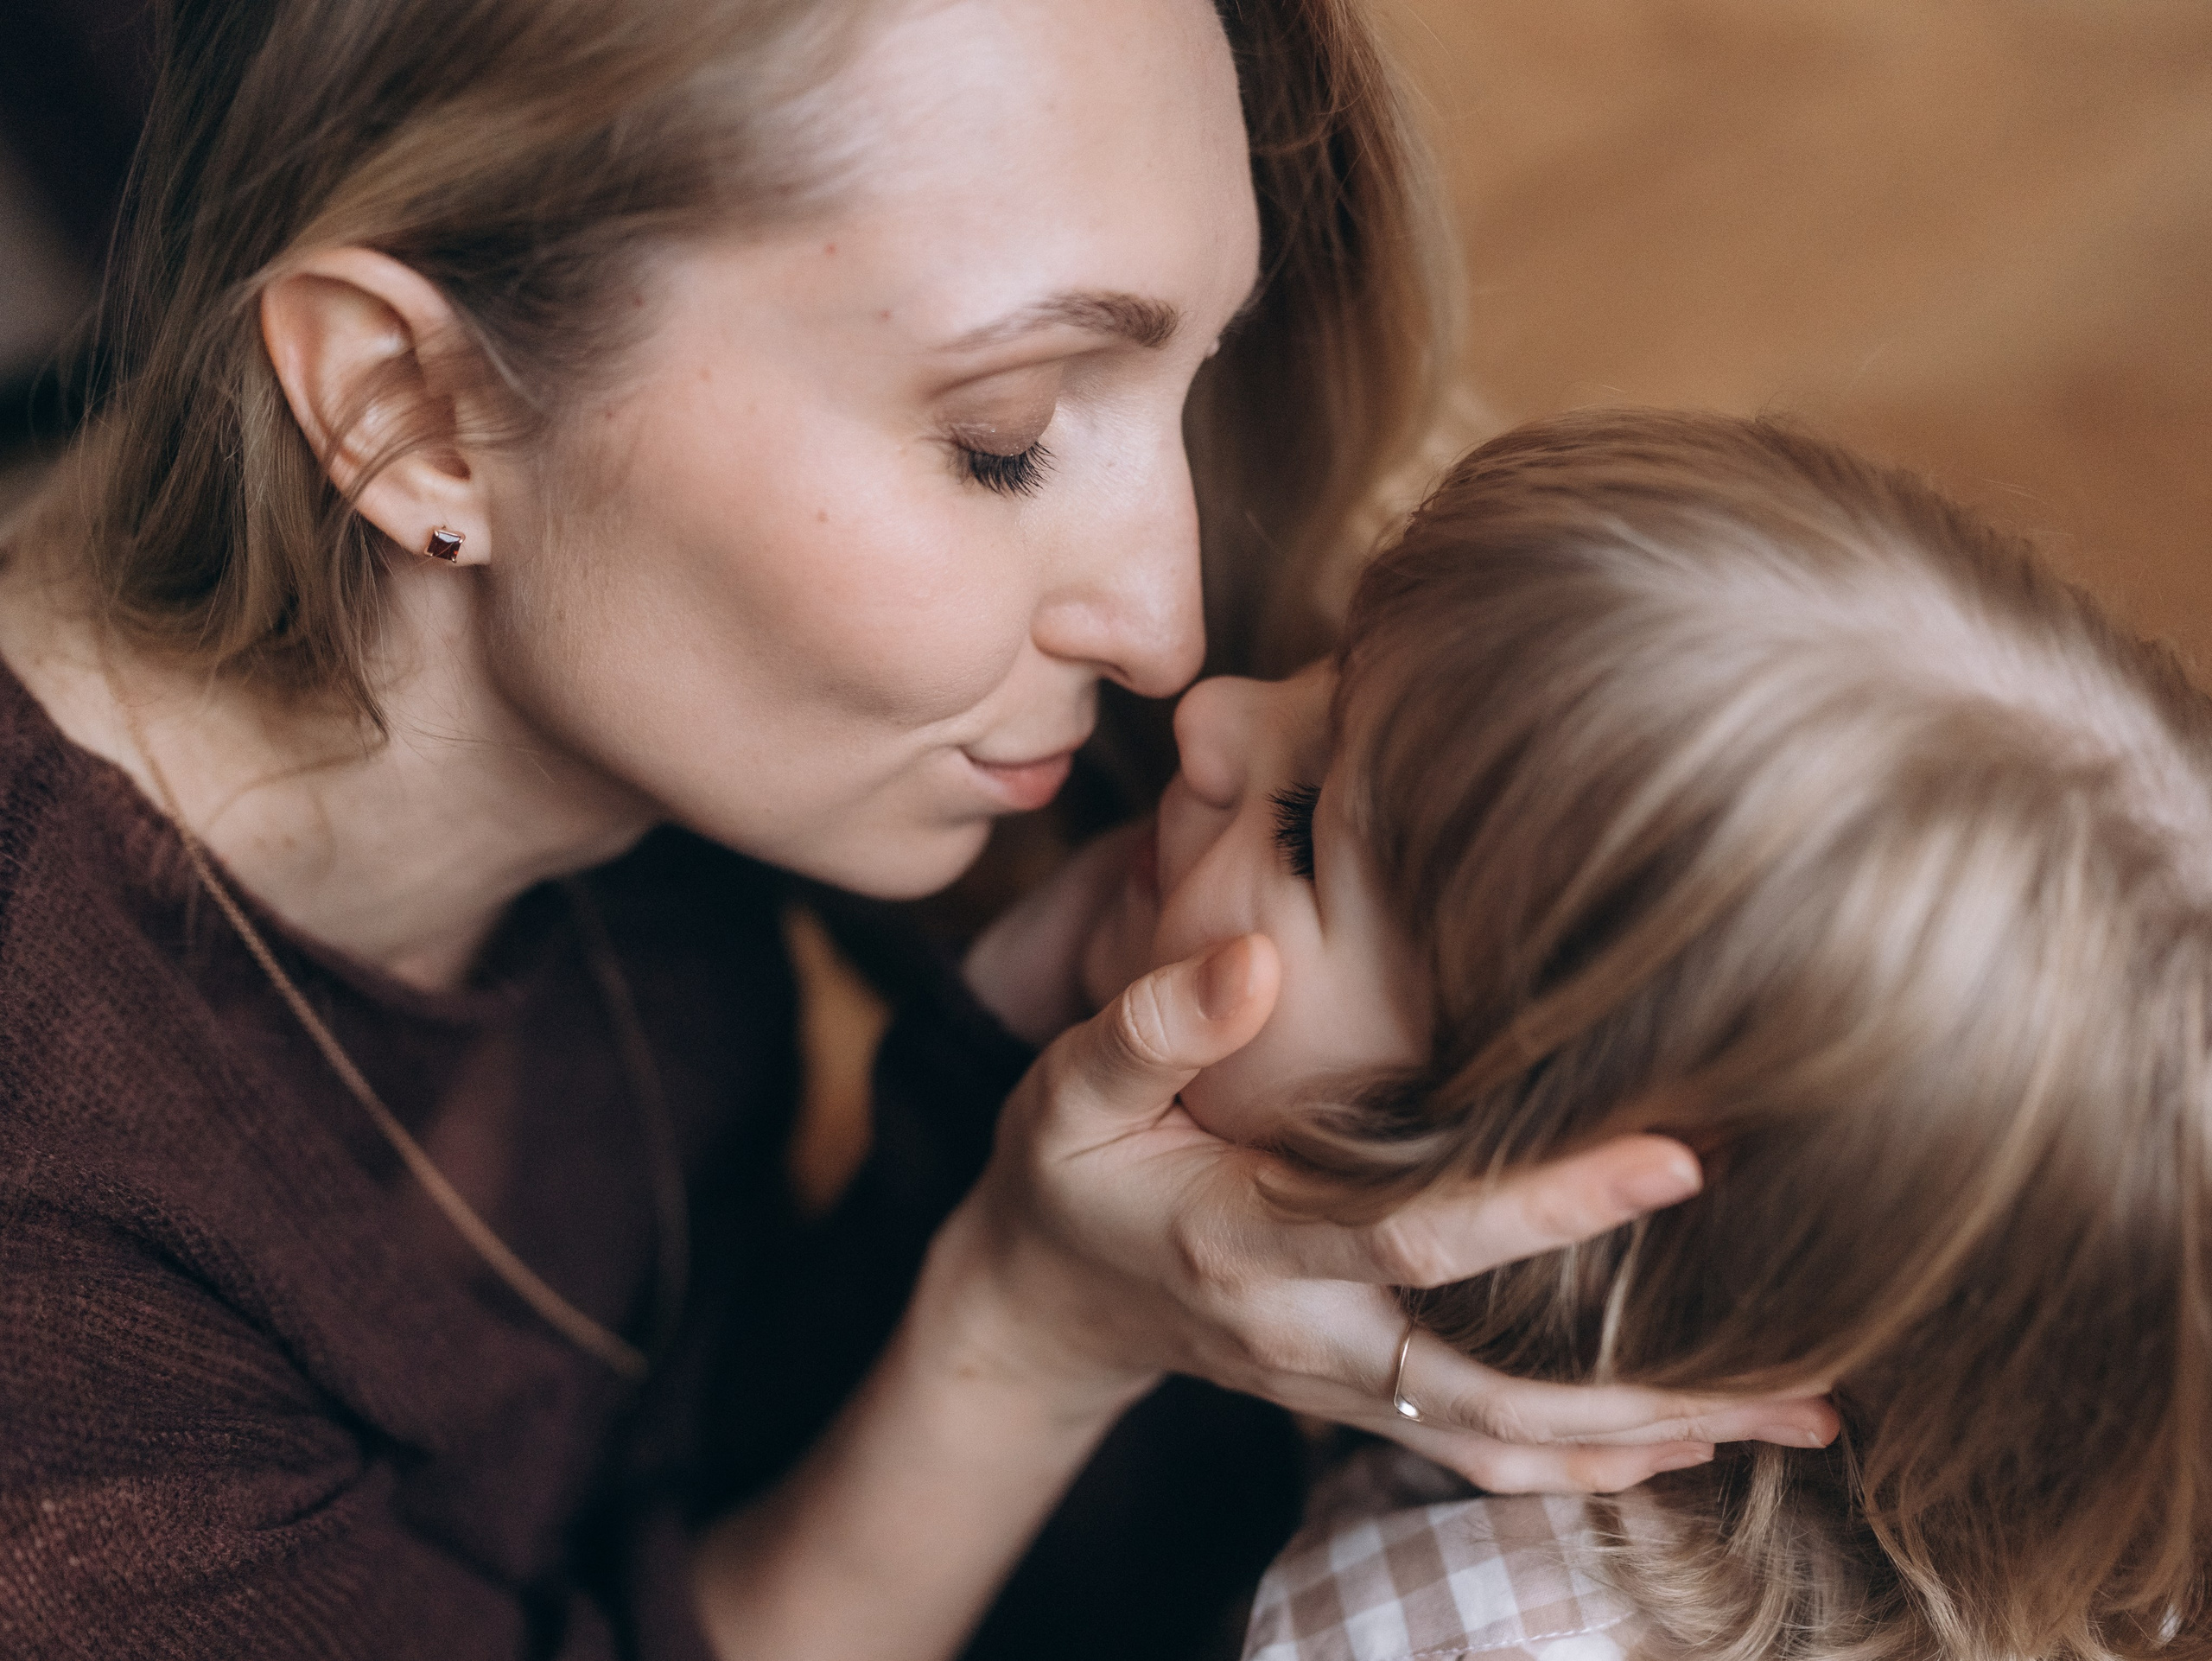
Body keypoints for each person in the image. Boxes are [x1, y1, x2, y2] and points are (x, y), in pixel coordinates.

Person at [0, 4, 1838, 1659]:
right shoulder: (58, 1278)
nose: (1168, 634)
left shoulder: (678, 705)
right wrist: (1030, 1331)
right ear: (413, 410)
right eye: (1007, 438)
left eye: (1191, 383)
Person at [1042, 409, 2209, 1661]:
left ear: (1564, 1231)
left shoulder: (1415, 1635)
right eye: (1337, 659)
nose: (1210, 714)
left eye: (1301, 825)